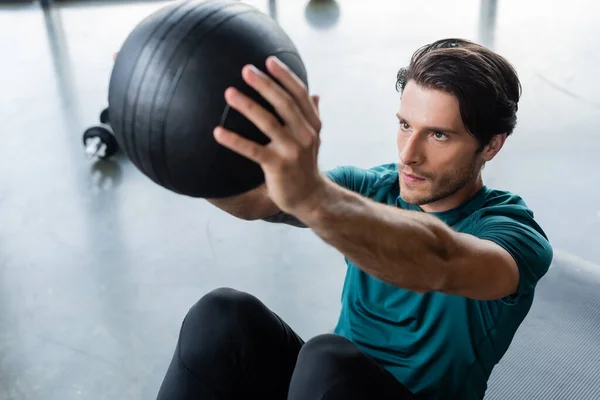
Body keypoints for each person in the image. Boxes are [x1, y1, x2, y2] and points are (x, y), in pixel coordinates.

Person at [154, 38, 553, 400]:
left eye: (438, 135)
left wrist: (314, 198)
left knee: (327, 362)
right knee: (223, 316)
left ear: (491, 145)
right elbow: (258, 202)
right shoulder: (374, 189)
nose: (408, 154)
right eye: (405, 125)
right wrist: (169, 149)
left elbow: (439, 261)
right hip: (324, 388)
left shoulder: (512, 234)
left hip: (346, 384)